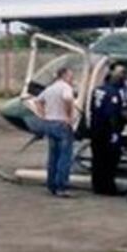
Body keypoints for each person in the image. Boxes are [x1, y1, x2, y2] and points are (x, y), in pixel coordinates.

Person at [35, 67, 77, 198]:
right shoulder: (66, 87)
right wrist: (69, 116)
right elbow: (68, 99)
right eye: (70, 76)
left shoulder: (50, 88)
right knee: (65, 156)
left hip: (50, 122)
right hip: (62, 123)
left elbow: (38, 101)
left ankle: (51, 184)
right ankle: (61, 186)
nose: (72, 79)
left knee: (53, 156)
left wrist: (43, 115)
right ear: (64, 75)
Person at [88, 66, 127, 195]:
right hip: (107, 131)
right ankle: (108, 187)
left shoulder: (97, 90)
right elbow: (112, 114)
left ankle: (97, 185)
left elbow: (92, 109)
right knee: (110, 160)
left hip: (96, 128)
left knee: (97, 159)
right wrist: (115, 132)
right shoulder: (113, 93)